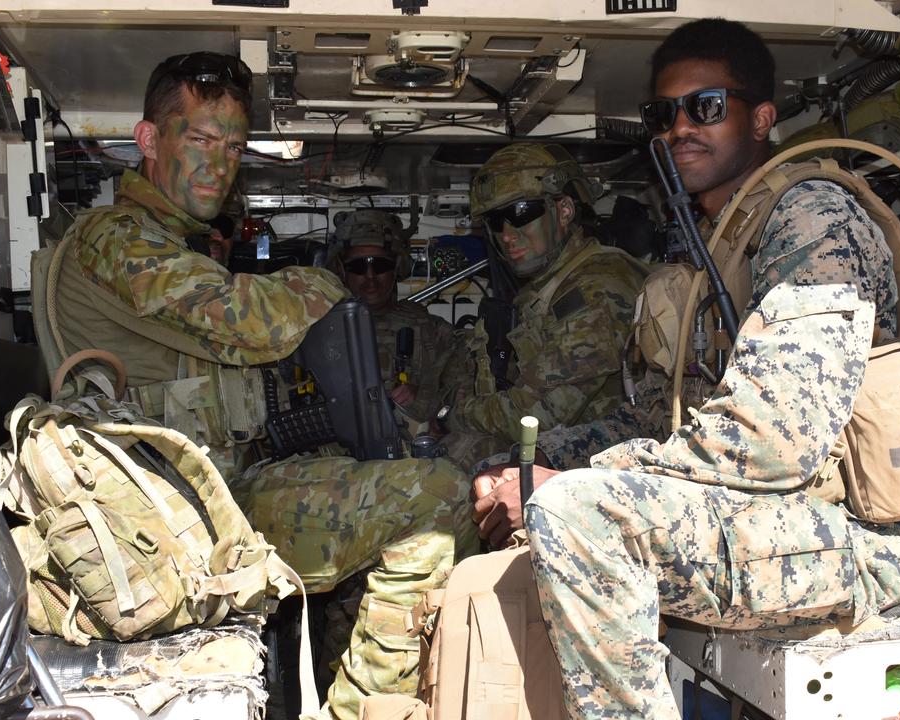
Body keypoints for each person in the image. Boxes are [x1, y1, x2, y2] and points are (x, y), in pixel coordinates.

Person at [521, 20, 900, 720]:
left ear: (762, 117)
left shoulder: (812, 218)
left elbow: (774, 440)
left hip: (857, 535)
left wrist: (570, 481)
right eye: (664, 114)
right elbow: (657, 419)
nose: (680, 128)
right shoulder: (713, 246)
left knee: (578, 515)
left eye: (706, 106)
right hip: (769, 518)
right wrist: (531, 462)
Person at [43, 51, 476, 720]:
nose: (220, 162)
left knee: (411, 481)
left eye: (235, 146)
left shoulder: (168, 241)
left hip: (209, 495)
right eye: (201, 140)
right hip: (165, 518)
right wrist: (322, 280)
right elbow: (251, 320)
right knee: (434, 498)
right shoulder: (114, 236)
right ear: (150, 141)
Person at [435, 143, 648, 469]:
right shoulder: (546, 287)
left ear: (564, 210)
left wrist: (455, 412)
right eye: (495, 221)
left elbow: (532, 417)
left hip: (607, 463)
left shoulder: (598, 287)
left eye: (521, 212)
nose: (507, 234)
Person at [332, 208, 456, 428]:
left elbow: (461, 394)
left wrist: (423, 398)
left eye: (380, 265)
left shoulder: (433, 332)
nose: (370, 276)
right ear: (342, 271)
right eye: (358, 266)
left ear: (397, 267)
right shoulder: (320, 331)